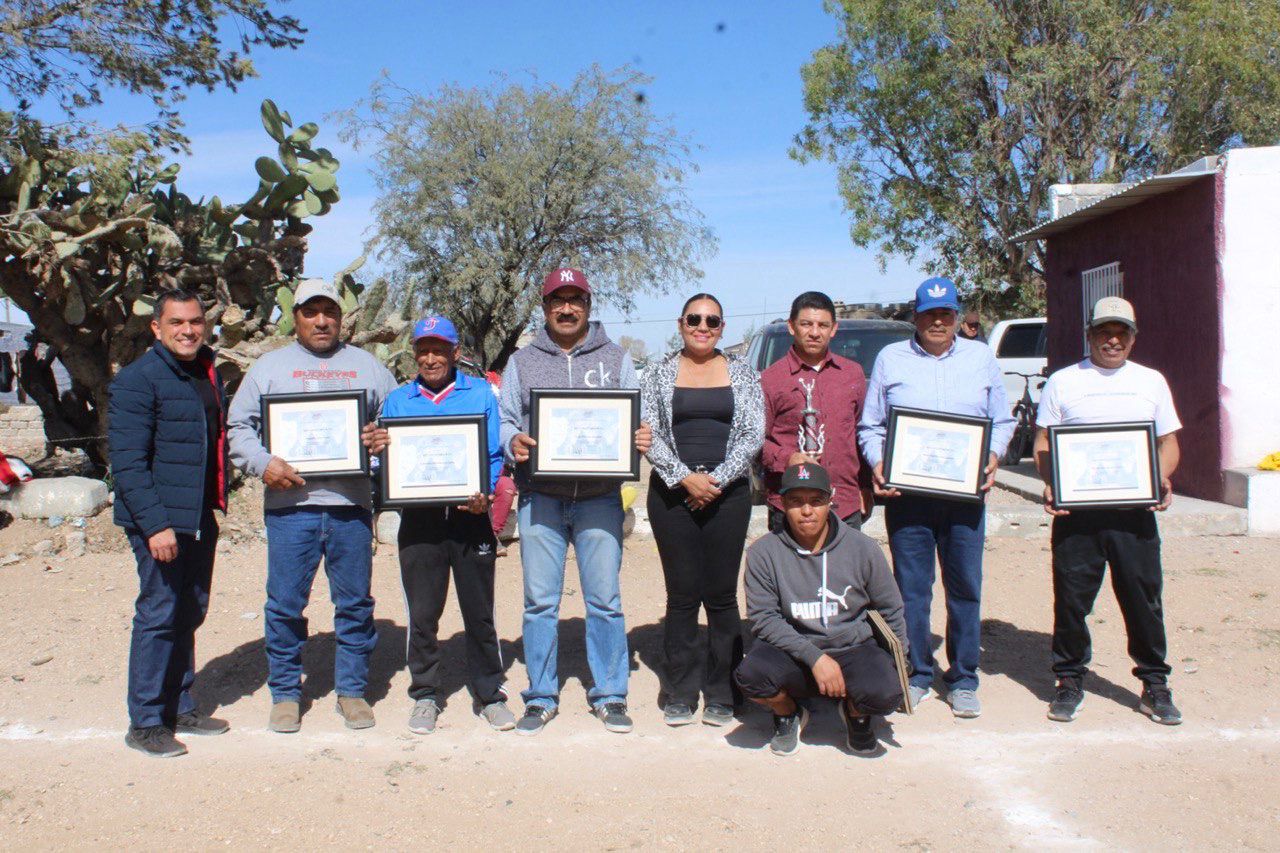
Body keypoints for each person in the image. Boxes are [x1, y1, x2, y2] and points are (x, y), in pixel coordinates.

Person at [228, 279, 397, 734]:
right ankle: (285, 692)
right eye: (310, 312)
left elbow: (398, 422)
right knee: (285, 604)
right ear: (296, 317)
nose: (321, 321)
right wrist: (263, 463)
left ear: (341, 317)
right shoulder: (269, 367)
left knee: (355, 604)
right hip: (291, 508)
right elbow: (238, 428)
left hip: (350, 506)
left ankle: (352, 690)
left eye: (329, 312)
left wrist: (382, 440)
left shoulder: (369, 368)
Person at [498, 267, 652, 736]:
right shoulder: (521, 361)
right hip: (540, 497)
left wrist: (638, 436)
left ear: (588, 303)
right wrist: (513, 443)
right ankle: (541, 695)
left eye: (575, 299)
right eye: (556, 300)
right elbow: (504, 419)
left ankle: (609, 693)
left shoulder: (616, 357)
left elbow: (634, 415)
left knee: (604, 600)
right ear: (544, 307)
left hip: (599, 500)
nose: (566, 308)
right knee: (539, 602)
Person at [858, 277, 1013, 718]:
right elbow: (872, 426)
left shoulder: (981, 358)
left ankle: (963, 678)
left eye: (946, 314)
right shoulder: (891, 358)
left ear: (957, 316)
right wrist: (878, 462)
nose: (938, 322)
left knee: (965, 587)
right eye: (929, 314)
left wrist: (994, 456)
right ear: (916, 316)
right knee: (911, 590)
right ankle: (919, 672)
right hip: (910, 496)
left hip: (965, 498)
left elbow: (1001, 421)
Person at [1034, 296, 1183, 725]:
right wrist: (1053, 483)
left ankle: (1155, 684)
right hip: (1077, 516)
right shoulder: (1064, 381)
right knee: (1072, 602)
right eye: (1104, 332)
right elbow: (1044, 444)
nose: (1112, 340)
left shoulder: (1151, 381)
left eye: (1121, 332)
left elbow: (1167, 444)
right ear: (1090, 335)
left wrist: (1161, 478)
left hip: (1133, 514)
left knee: (1143, 601)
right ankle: (1068, 681)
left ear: (1133, 337)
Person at [364, 315, 512, 734]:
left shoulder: (481, 393)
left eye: (439, 349)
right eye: (423, 350)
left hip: (470, 519)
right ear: (415, 354)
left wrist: (483, 491)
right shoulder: (397, 401)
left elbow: (492, 454)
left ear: (456, 352)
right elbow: (385, 461)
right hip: (420, 521)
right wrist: (378, 453)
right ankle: (426, 695)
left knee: (479, 613)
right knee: (424, 615)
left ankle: (489, 694)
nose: (431, 358)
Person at [109, 289, 229, 757]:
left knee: (189, 609)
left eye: (195, 321)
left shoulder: (205, 372)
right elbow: (129, 463)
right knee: (159, 612)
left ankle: (180, 705)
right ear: (156, 328)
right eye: (177, 322)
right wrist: (155, 526)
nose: (188, 330)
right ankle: (145, 722)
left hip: (197, 512)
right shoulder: (139, 380)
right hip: (159, 519)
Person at [640, 293, 764, 727]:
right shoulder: (657, 373)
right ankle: (679, 690)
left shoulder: (743, 374)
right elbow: (648, 433)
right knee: (681, 596)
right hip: (672, 496)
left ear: (723, 327)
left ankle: (724, 690)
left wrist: (714, 482)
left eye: (712, 320)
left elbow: (752, 434)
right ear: (680, 323)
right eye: (694, 318)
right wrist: (684, 478)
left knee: (722, 596)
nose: (702, 326)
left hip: (726, 496)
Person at [734, 463, 908, 757]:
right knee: (750, 676)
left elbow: (890, 608)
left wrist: (901, 662)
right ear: (781, 503)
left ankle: (855, 714)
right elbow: (764, 619)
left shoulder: (863, 548)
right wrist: (815, 658)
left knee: (887, 692)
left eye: (816, 501)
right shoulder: (764, 551)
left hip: (852, 647)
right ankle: (788, 713)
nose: (806, 511)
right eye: (795, 502)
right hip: (794, 649)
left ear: (831, 500)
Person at [760, 291, 871, 532]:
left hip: (844, 505)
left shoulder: (852, 374)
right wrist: (788, 458)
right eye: (806, 324)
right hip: (791, 506)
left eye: (823, 325)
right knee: (792, 571)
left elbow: (864, 435)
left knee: (845, 571)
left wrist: (866, 486)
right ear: (791, 327)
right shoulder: (770, 380)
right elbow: (756, 443)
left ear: (833, 329)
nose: (814, 332)